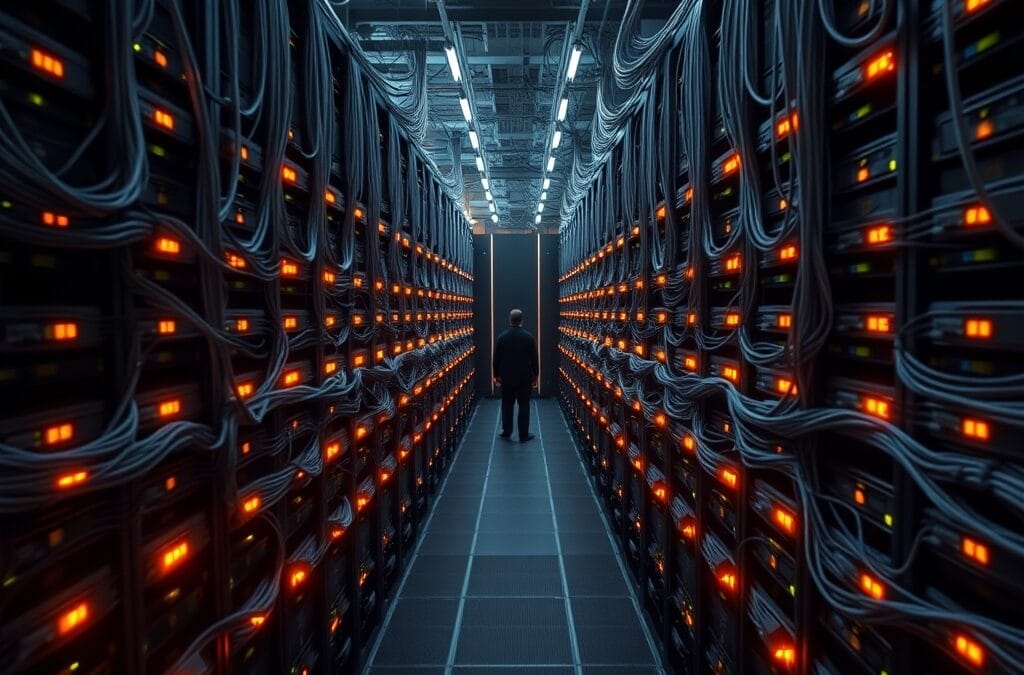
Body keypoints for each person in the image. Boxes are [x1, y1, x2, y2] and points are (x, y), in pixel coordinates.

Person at [493, 309, 539, 442]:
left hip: (507, 376)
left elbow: (496, 359)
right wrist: (536, 375)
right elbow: (534, 359)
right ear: (522, 321)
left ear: (510, 320)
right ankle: (523, 434)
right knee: (524, 405)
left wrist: (496, 375)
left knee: (507, 404)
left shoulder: (502, 337)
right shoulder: (529, 337)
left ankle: (507, 431)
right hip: (524, 377)